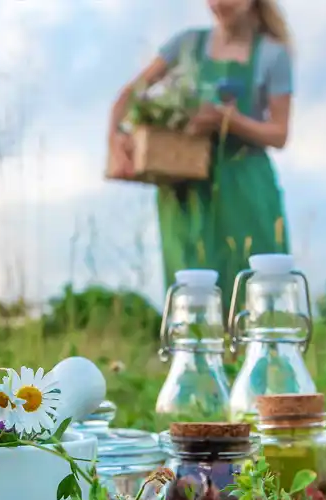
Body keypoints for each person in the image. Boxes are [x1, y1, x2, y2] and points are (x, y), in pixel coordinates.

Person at [107, 0, 294, 315]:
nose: (219, 4)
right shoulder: (186, 45)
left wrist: (228, 120)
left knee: (253, 284)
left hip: (244, 184)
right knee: (191, 291)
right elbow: (129, 95)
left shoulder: (272, 55)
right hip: (186, 184)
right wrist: (116, 137)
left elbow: (279, 133)